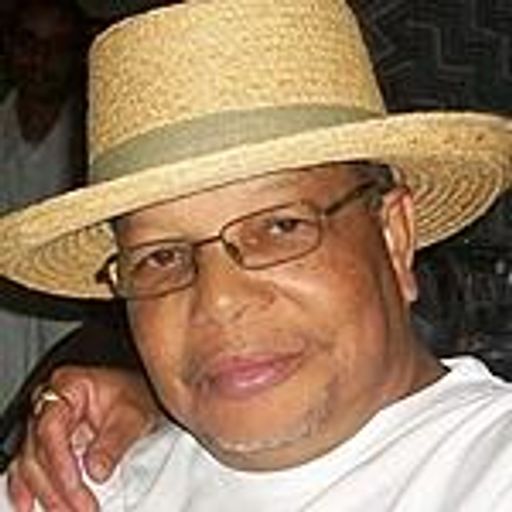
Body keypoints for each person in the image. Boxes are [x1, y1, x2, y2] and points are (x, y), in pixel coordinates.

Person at [1, 0, 511, 510]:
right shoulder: (76, 486)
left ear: (393, 236)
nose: (219, 300)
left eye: (280, 227)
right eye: (161, 257)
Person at [0, 0, 88, 414]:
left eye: (58, 46)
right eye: (29, 42)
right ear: (9, 45)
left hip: (70, 353)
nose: (41, 58)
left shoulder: (93, 147)